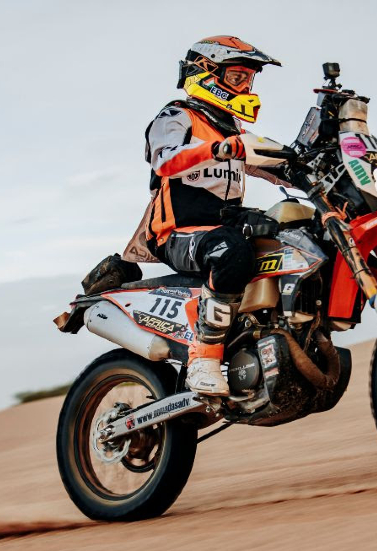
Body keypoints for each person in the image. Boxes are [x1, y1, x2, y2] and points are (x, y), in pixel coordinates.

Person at [123, 36, 289, 396]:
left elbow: (278, 166)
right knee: (230, 251)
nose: (245, 87)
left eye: (248, 80)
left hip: (222, 226)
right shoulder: (176, 116)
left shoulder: (234, 131)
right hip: (176, 232)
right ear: (206, 74)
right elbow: (165, 158)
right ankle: (204, 359)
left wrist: (313, 165)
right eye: (237, 78)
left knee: (292, 235)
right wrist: (218, 148)